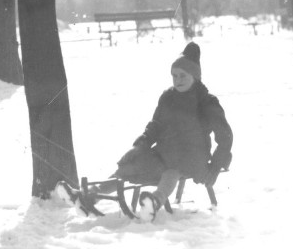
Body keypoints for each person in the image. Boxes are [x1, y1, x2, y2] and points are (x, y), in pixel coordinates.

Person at [56, 42, 233, 222]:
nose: (177, 79)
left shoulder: (206, 102)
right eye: (174, 75)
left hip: (194, 157)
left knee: (172, 172)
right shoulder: (168, 98)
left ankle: (155, 202)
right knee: (127, 169)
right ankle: (88, 197)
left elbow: (225, 136)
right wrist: (141, 145)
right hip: (165, 153)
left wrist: (217, 164)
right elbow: (155, 125)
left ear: (195, 77)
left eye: (182, 75)